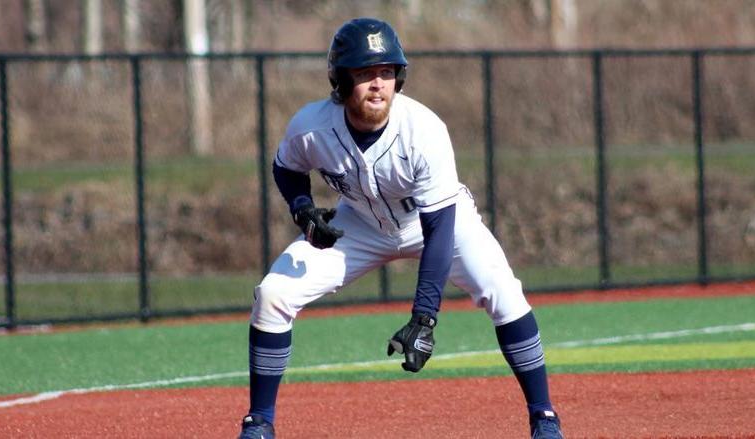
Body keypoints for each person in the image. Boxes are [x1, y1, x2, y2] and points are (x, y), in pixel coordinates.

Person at [238, 17, 564, 439]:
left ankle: (544, 417)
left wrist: (424, 318)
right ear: (340, 80)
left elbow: (440, 231)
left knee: (503, 291)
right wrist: (302, 208)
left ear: (399, 78)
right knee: (273, 294)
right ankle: (259, 423)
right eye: (364, 73)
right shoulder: (312, 125)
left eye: (386, 72)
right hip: (357, 223)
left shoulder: (423, 131)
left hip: (438, 221)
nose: (377, 83)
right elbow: (287, 168)